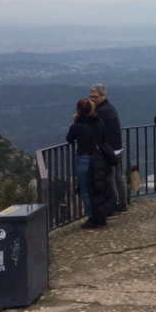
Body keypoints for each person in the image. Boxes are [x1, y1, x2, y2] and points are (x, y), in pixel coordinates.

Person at [65, 98, 112, 229]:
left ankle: (91, 218)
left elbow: (69, 139)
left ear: (79, 111)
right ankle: (101, 216)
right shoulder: (100, 122)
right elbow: (104, 139)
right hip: (99, 160)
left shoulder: (76, 126)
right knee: (99, 189)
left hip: (84, 161)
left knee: (85, 191)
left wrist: (75, 121)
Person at [89, 83, 125, 212]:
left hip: (110, 151)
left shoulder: (101, 111)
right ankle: (122, 202)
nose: (92, 99)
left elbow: (96, 130)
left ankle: (113, 205)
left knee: (110, 179)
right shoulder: (110, 108)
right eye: (91, 97)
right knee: (118, 177)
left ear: (103, 96)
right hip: (118, 149)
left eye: (95, 96)